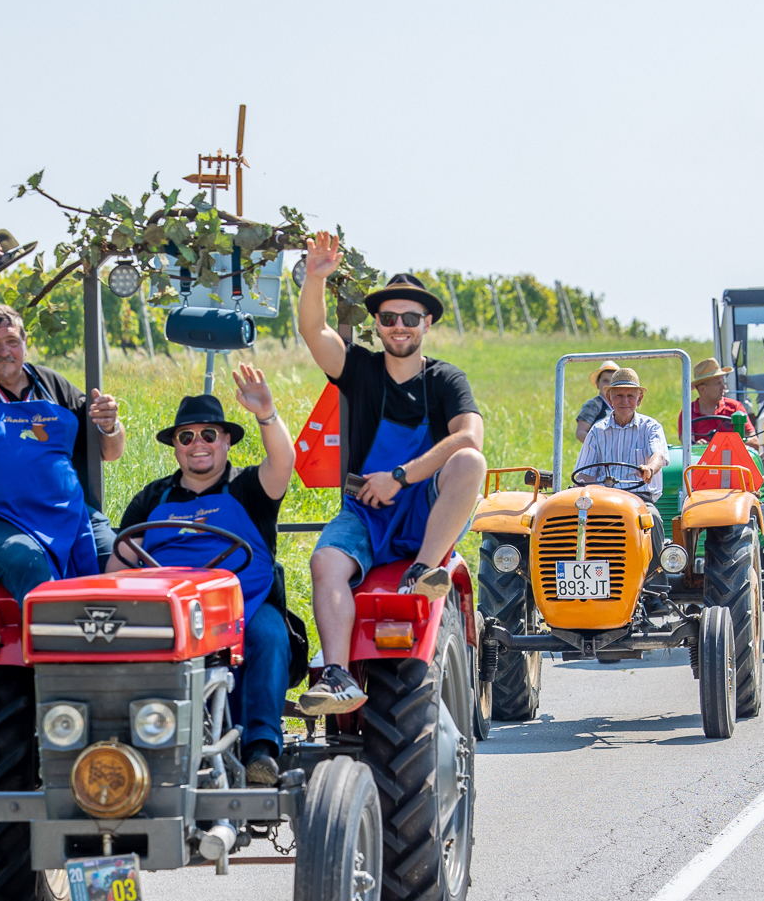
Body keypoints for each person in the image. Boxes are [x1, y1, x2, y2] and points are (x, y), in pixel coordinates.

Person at [294, 235, 487, 716]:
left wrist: (400, 477)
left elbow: (469, 437)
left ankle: (422, 571)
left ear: (428, 323)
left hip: (424, 510)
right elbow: (314, 331)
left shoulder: (445, 380)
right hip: (365, 511)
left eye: (410, 318)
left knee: (470, 463)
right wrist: (315, 276)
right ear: (377, 324)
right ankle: (338, 676)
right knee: (326, 563)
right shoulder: (358, 367)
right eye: (389, 318)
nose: (399, 327)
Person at [112, 367, 302, 785]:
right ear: (176, 448)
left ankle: (261, 750)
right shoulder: (153, 497)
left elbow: (284, 462)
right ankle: (122, 750)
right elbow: (120, 562)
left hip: (242, 604)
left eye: (209, 435)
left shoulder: (250, 487)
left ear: (227, 441)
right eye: (186, 437)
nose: (198, 444)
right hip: (167, 606)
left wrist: (267, 412)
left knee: (271, 635)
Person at [0, 234, 125, 602]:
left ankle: (121, 654)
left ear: (25, 344)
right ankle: (54, 656)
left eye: (11, 341)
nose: (4, 352)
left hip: (70, 516)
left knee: (122, 563)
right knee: (30, 565)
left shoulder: (53, 385)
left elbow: (109, 451)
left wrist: (111, 425)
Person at [576, 368, 668, 563]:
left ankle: (656, 583)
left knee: (653, 519)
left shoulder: (651, 427)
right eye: (619, 395)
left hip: (639, 500)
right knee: (573, 521)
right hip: (602, 502)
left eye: (630, 396)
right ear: (610, 399)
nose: (624, 401)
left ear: (639, 399)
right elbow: (585, 473)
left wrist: (649, 469)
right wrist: (578, 487)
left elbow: (658, 455)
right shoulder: (597, 431)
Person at [678, 357, 752, 444]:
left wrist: (726, 443)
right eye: (718, 383)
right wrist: (698, 446)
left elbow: (754, 442)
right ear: (702, 389)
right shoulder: (687, 413)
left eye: (723, 382)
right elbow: (687, 445)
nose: (723, 387)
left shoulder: (735, 408)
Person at [574, 359, 621, 442]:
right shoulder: (593, 405)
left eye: (613, 381)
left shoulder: (625, 404)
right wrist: (599, 446)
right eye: (605, 381)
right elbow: (580, 432)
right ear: (597, 383)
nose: (609, 385)